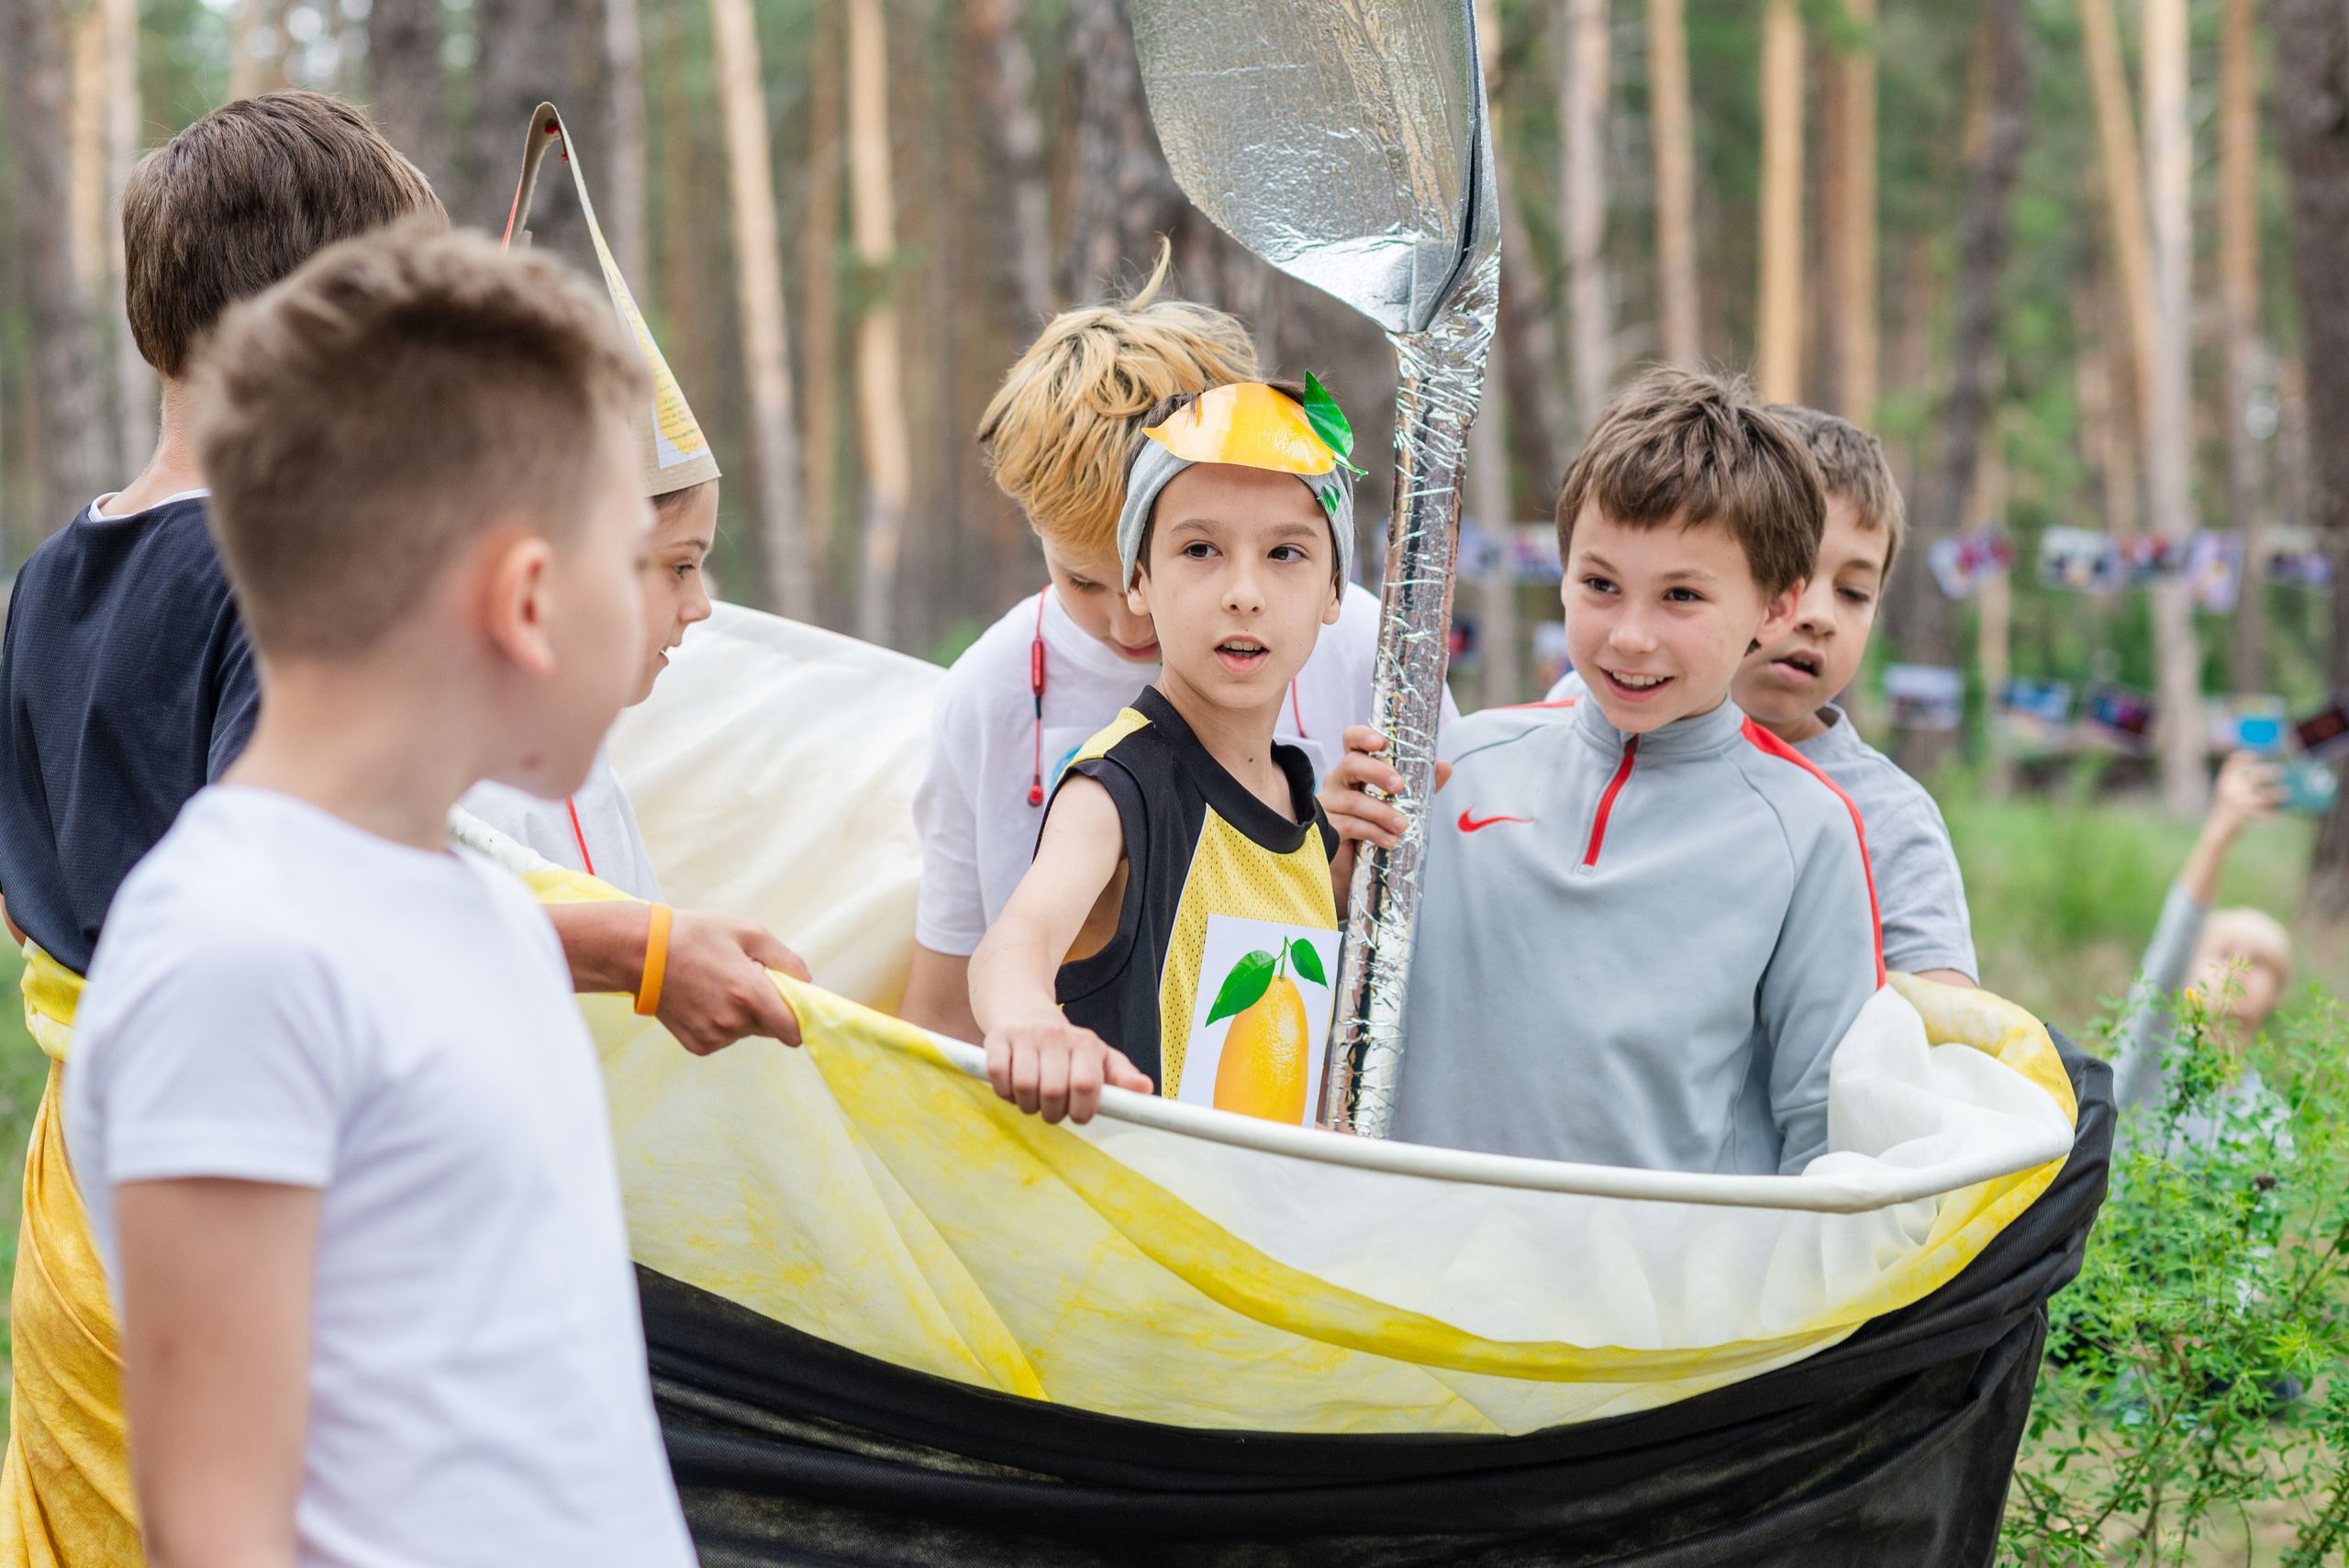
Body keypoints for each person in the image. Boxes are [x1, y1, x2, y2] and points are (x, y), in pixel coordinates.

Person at [65, 227, 701, 1568]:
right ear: (530, 599)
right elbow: (218, 1531)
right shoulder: (229, 961)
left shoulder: (461, 907)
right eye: (636, 562)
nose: (670, 613)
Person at [0, 92, 446, 1565]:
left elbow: (26, 902)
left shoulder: (47, 579)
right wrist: (634, 947)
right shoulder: (289, 579)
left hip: (77, 1194)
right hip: (227, 1184)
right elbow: (300, 919)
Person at [900, 252, 1447, 1042]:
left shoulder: (1369, 651)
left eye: (1276, 553)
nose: (1131, 629)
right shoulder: (989, 693)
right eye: (1086, 583)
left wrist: (1332, 873)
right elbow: (950, 1003)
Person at [1378, 368, 1884, 1173]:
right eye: (1601, 585)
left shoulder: (1806, 831)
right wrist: (1324, 869)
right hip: (1403, 1276)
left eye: (1681, 595)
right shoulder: (1456, 764)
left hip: (1655, 1292)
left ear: (1777, 608)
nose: (1631, 636)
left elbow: (1827, 1132)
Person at [968, 380, 1359, 1126]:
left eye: (1285, 552)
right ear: (1138, 578)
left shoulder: (1300, 798)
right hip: (1129, 1235)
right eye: (1200, 549)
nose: (1243, 592)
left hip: (1260, 1235)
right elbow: (1018, 937)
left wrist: (1350, 865)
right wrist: (1030, 1024)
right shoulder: (1116, 789)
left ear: (1333, 589)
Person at [1494, 408, 1976, 989]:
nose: (1816, 616)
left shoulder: (1887, 818)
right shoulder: (1579, 712)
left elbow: (1946, 1027)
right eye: (1789, 578)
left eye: (1853, 592)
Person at [2110, 750, 2294, 1128]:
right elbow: (2175, 941)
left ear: (2278, 991)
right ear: (2188, 969)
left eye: (2258, 962)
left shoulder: (2269, 1118)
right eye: (2224, 953)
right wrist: (2221, 830)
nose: (2237, 971)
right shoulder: (2148, 1053)